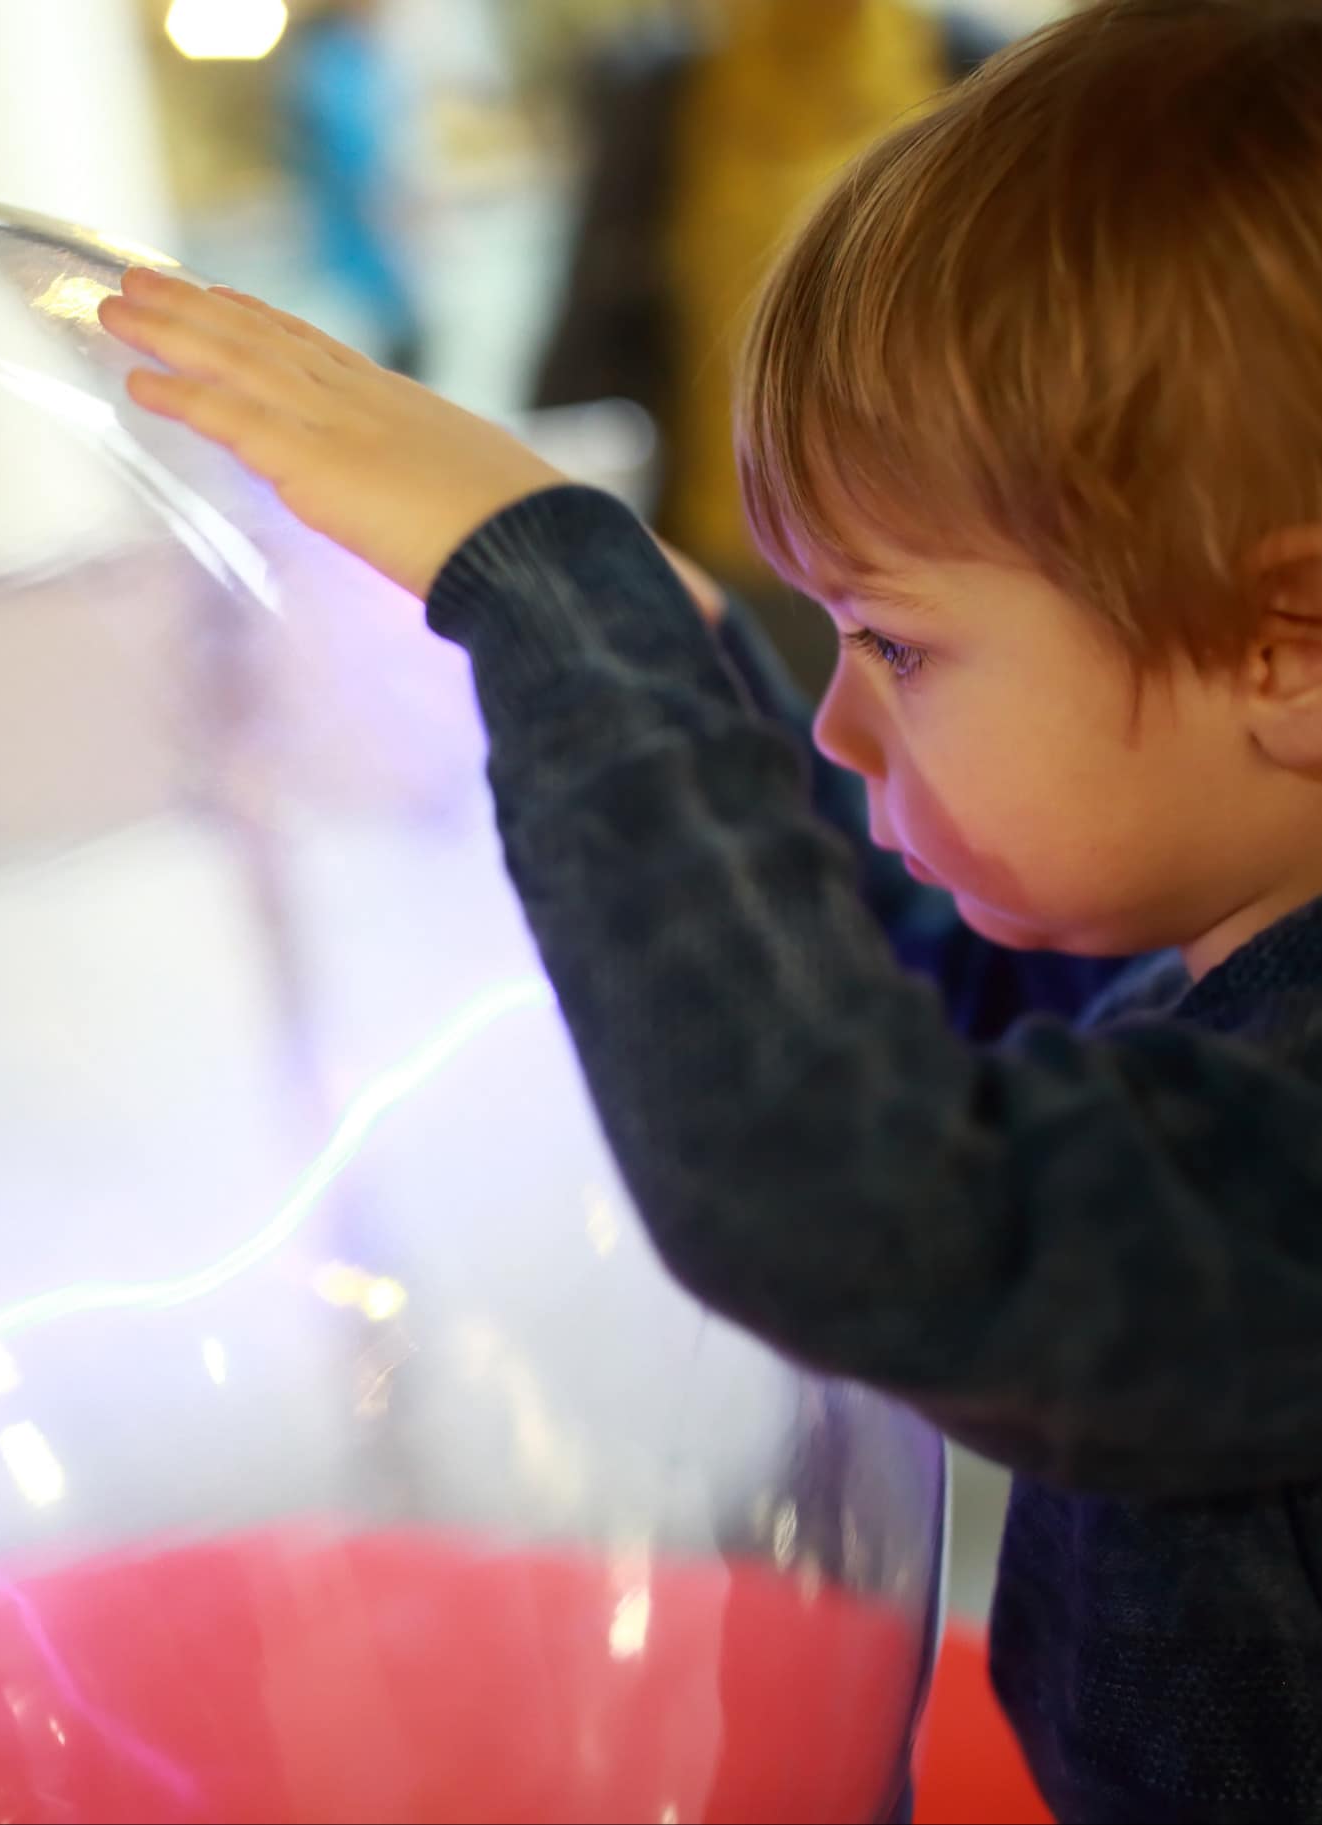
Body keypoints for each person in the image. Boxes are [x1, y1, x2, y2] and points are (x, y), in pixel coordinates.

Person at [101, 1, 1322, 1813]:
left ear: (1285, 650)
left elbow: (873, 1198)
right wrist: (689, 674)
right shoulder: (1208, 974)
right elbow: (915, 1006)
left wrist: (559, 605)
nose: (839, 714)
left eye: (896, 642)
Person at [532, 0, 1005, 692]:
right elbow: (593, 319)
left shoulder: (974, 72)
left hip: (930, 564)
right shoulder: (663, 96)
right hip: (720, 549)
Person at [277, 0, 426, 378]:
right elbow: (354, 155)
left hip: (375, 253)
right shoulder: (331, 63)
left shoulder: (362, 56)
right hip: (357, 250)